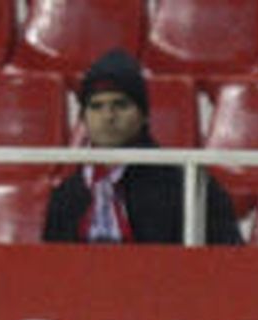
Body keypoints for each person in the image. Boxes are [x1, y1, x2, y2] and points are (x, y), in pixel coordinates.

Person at [43, 49, 243, 246]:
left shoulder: (188, 189)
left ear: (144, 115)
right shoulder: (66, 196)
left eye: (120, 105)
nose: (108, 116)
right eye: (96, 106)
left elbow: (228, 258)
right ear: (83, 118)